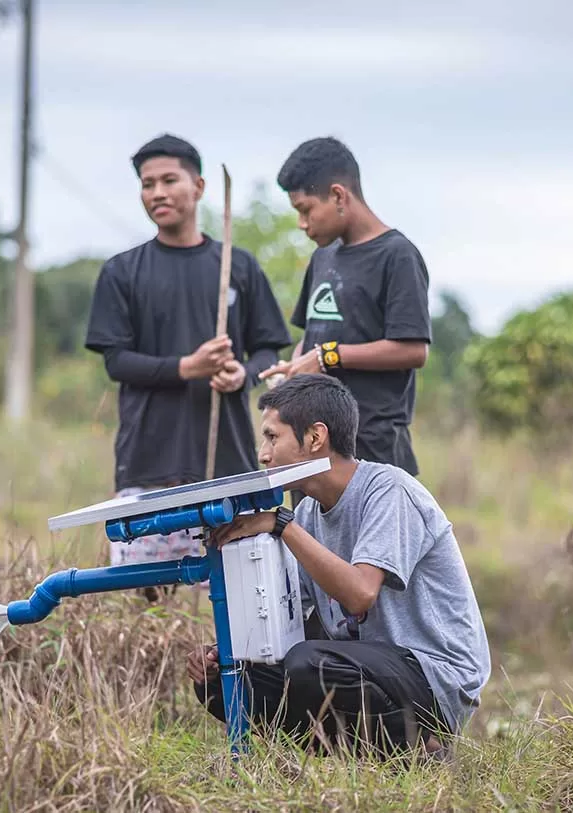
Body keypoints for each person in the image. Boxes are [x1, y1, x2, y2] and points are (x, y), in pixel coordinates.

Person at [186, 373, 491, 759]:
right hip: (362, 671)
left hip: (435, 676)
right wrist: (221, 655)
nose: (263, 453)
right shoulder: (310, 512)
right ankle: (371, 757)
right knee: (224, 681)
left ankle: (426, 752)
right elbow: (285, 618)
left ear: (315, 437)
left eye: (272, 437)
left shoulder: (388, 490)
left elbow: (359, 595)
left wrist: (282, 525)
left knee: (307, 664)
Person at [84, 133, 292, 584]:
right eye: (146, 183)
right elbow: (116, 362)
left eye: (168, 180)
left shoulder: (238, 266)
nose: (156, 193)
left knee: (240, 605)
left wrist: (242, 374)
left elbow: (267, 351)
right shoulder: (122, 271)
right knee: (148, 606)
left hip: (230, 464)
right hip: (150, 465)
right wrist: (186, 368)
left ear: (197, 186)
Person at [260, 136, 432, 478]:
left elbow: (413, 350)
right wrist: (293, 370)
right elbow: (310, 338)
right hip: (312, 449)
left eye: (306, 209)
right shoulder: (322, 257)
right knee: (308, 533)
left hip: (373, 446)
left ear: (338, 195)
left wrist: (327, 356)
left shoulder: (396, 255)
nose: (301, 223)